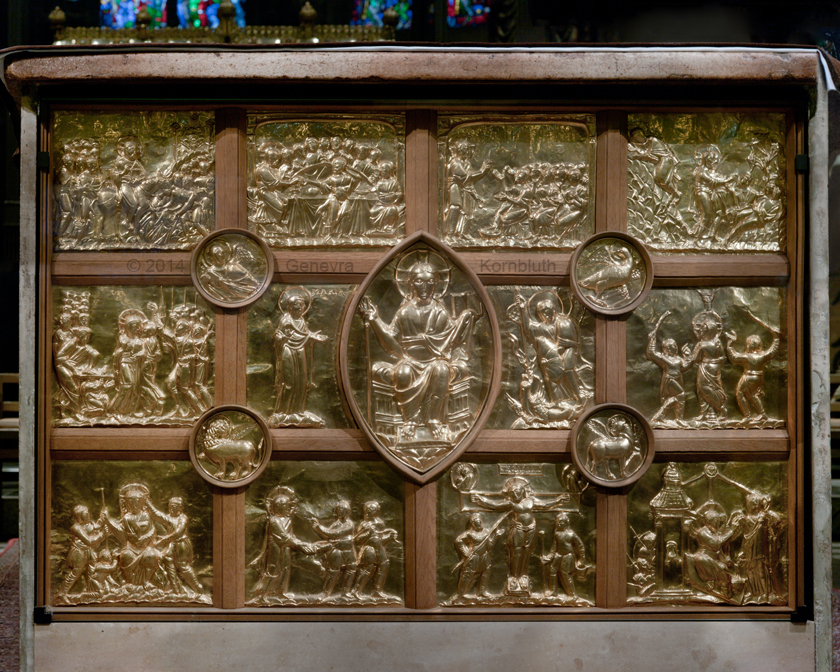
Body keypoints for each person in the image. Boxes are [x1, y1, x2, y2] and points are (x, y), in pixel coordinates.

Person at [360, 260, 477, 444]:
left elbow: (450, 339)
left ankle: (434, 418)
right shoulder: (404, 312)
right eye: (419, 281)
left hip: (434, 360)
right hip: (410, 361)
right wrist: (374, 320)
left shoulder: (440, 312)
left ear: (436, 284)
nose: (425, 287)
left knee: (441, 370)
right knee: (403, 372)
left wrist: (466, 317)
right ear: (411, 284)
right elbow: (391, 341)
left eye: (430, 282)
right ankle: (410, 420)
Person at [470, 476, 570, 595]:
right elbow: (496, 505)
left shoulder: (530, 501)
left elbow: (545, 505)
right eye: (512, 493)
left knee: (526, 553)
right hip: (518, 529)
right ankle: (514, 576)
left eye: (517, 491)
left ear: (523, 491)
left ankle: (522, 575)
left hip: (531, 529)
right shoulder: (511, 503)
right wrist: (481, 500)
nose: (515, 494)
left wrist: (558, 500)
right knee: (516, 554)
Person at [269, 287, 327, 428]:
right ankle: (283, 412)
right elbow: (280, 336)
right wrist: (281, 338)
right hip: (288, 351)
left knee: (301, 381)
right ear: (289, 307)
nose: (299, 309)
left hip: (300, 351)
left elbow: (304, 335)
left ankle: (298, 411)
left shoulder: (301, 320)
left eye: (301, 306)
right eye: (296, 306)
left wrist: (312, 337)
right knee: (289, 382)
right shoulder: (286, 320)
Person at [250, 488, 313, 601]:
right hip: (276, 548)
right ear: (278, 507)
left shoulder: (287, 518)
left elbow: (293, 506)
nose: (287, 508)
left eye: (288, 506)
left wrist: (291, 495)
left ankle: (281, 592)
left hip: (286, 547)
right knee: (274, 570)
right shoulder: (274, 520)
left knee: (286, 569)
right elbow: (283, 536)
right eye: (285, 506)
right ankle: (264, 594)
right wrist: (301, 544)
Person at [149, 497, 204, 598]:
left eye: (175, 507)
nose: (172, 509)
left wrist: (164, 540)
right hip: (172, 544)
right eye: (170, 506)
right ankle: (175, 589)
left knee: (182, 566)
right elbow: (157, 514)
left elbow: (178, 533)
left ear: (181, 508)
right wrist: (147, 503)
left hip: (181, 544)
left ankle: (197, 588)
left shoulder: (183, 518)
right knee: (167, 559)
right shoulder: (169, 517)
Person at [725, 328, 780, 424]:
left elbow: (734, 357)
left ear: (749, 345)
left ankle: (748, 416)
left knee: (740, 393)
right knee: (752, 395)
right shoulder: (762, 355)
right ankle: (763, 414)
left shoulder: (747, 356)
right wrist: (776, 338)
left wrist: (730, 344)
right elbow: (773, 351)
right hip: (758, 378)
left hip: (749, 377)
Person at [646, 310, 690, 425]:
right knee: (681, 395)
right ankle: (679, 419)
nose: (675, 347)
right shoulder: (664, 358)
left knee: (674, 398)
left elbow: (684, 367)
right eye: (672, 346)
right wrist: (652, 339)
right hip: (670, 380)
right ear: (667, 349)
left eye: (675, 345)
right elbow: (651, 353)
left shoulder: (678, 359)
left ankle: (659, 417)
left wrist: (687, 356)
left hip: (678, 379)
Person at [308, 500, 357, 601]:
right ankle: (326, 594)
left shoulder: (349, 524)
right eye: (338, 510)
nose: (340, 512)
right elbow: (327, 536)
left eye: (342, 510)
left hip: (348, 550)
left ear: (347, 511)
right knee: (333, 572)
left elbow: (335, 534)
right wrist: (316, 528)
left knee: (351, 569)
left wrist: (319, 527)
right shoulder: (335, 524)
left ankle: (345, 593)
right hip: (337, 550)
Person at [56, 505, 106, 602]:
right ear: (79, 517)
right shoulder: (76, 528)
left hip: (89, 551)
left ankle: (91, 592)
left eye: (88, 513)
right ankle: (62, 593)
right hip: (79, 552)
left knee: (92, 570)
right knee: (76, 573)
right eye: (85, 514)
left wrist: (101, 521)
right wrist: (102, 535)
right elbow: (89, 541)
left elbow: (95, 528)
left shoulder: (88, 524)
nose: (88, 515)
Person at [683, 312, 727, 422]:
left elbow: (694, 359)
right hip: (715, 368)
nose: (700, 331)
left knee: (702, 389)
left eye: (703, 329)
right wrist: (715, 361)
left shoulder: (701, 344)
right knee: (715, 388)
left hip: (705, 368)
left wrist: (686, 354)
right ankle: (710, 413)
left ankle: (720, 409)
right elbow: (723, 357)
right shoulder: (717, 342)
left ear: (709, 331)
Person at [353, 501, 398, 599]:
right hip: (369, 548)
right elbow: (358, 540)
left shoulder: (380, 523)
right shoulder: (364, 524)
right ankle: (356, 591)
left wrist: (390, 538)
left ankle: (377, 591)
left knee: (384, 564)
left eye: (372, 509)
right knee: (369, 568)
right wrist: (368, 533)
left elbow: (380, 540)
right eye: (368, 510)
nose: (369, 512)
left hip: (379, 548)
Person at [453, 513, 502, 600]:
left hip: (484, 556)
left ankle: (481, 592)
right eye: (476, 522)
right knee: (468, 574)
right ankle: (460, 594)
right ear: (473, 524)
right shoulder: (470, 534)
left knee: (486, 572)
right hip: (474, 557)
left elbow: (489, 546)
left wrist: (495, 536)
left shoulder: (486, 532)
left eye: (479, 522)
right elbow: (459, 541)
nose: (478, 524)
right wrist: (466, 552)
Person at [543, 513, 587, 599]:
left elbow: (580, 546)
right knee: (552, 570)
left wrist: (582, 559)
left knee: (565, 574)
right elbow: (554, 548)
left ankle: (573, 595)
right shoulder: (557, 534)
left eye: (562, 522)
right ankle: (554, 591)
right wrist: (548, 557)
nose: (559, 524)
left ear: (566, 523)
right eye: (558, 522)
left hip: (567, 555)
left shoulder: (571, 534)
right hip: (558, 554)